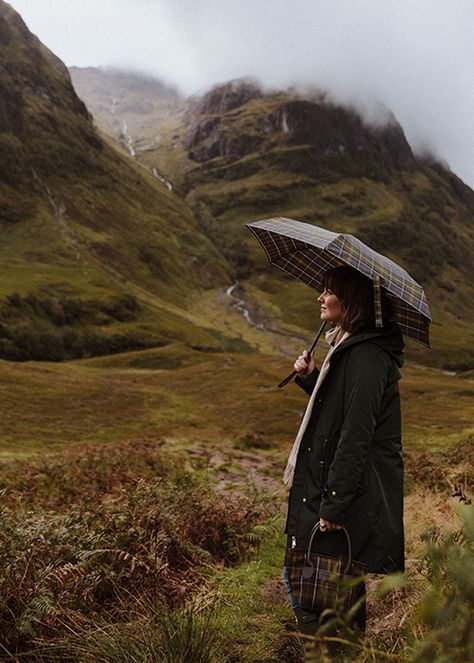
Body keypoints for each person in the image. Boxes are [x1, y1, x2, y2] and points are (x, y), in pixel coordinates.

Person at [282, 265, 405, 635]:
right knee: (323, 589)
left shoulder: (366, 356)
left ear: (349, 299)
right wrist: (311, 380)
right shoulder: (347, 348)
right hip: (330, 484)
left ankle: (338, 656)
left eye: (329, 291)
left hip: (341, 494)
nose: (320, 297)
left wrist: (334, 503)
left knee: (319, 595)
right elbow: (340, 409)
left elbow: (356, 433)